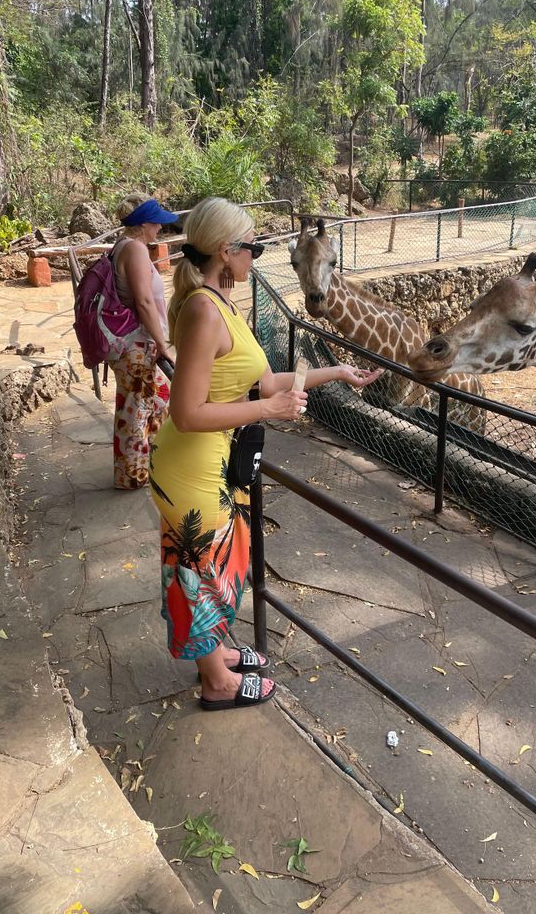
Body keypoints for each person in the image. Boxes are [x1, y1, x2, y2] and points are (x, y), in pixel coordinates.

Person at [148, 197, 382, 710]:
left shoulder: (221, 303)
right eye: (253, 246)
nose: (256, 254)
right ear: (226, 251)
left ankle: (213, 659)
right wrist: (267, 411)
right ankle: (216, 683)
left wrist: (336, 374)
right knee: (200, 568)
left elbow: (263, 381)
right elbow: (187, 413)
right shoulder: (205, 312)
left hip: (206, 464)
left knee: (202, 564)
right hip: (192, 466)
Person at [110, 192, 178, 490]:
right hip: (137, 345)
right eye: (156, 223)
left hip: (135, 345)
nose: (159, 228)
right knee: (136, 411)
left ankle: (150, 463)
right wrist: (163, 343)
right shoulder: (135, 250)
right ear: (145, 223)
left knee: (158, 399)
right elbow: (144, 301)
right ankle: (133, 477)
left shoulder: (124, 246)